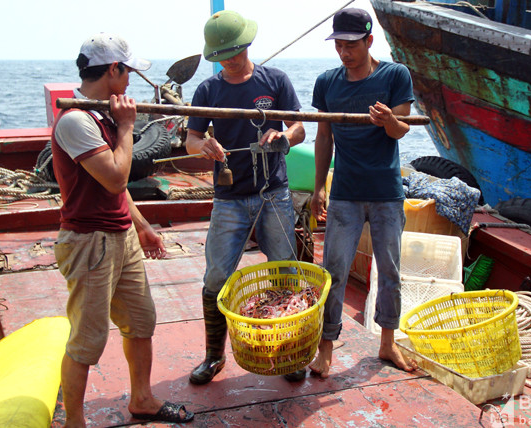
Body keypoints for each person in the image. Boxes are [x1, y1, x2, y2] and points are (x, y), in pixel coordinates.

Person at [51, 33, 194, 426]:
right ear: (112, 70)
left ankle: (142, 399)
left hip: (121, 236)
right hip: (90, 243)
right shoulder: (77, 121)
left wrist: (143, 226)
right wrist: (128, 126)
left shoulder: (102, 117)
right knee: (87, 339)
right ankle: (75, 422)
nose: (130, 80)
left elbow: (118, 190)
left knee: (141, 320)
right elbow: (115, 178)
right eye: (127, 71)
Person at [185, 10, 306, 384]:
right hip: (229, 198)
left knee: (285, 267)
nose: (232, 60)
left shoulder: (276, 81)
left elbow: (299, 126)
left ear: (248, 45)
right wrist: (203, 146)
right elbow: (190, 140)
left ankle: (289, 353)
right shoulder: (207, 90)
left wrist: (283, 138)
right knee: (218, 275)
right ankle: (213, 356)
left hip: (275, 195)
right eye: (223, 55)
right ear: (214, 56)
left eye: (236, 52)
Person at [308, 8, 417, 378]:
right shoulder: (327, 83)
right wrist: (319, 186)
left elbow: (400, 131)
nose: (344, 52)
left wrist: (389, 120)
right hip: (345, 193)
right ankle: (326, 348)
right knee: (333, 270)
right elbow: (324, 136)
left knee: (390, 271)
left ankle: (387, 343)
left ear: (369, 41)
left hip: (386, 192)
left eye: (351, 45)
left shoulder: (395, 75)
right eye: (338, 45)